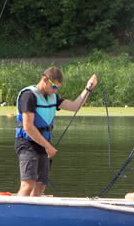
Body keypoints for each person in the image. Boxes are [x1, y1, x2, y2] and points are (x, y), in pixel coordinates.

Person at [15, 66, 99, 197]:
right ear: (45, 80)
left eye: (57, 88)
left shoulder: (53, 97)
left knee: (41, 185)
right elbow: (28, 127)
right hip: (27, 143)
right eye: (54, 87)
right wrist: (48, 146)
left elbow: (74, 106)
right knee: (28, 184)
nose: (55, 91)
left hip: (43, 144)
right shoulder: (28, 96)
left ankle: (32, 213)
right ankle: (16, 212)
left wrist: (88, 88)